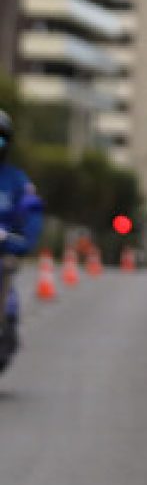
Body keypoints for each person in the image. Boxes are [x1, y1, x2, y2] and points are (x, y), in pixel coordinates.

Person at [0, 110, 44, 370]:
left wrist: (12, 239)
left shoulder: (16, 181)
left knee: (7, 289)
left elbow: (31, 219)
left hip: (2, 256)